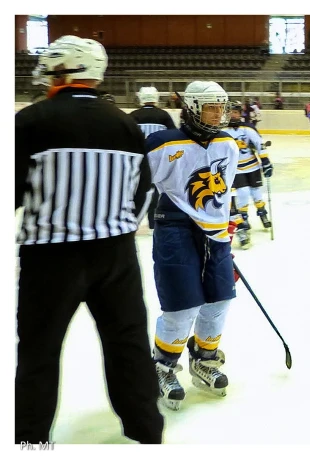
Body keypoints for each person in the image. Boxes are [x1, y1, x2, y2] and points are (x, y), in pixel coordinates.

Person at [15, 35, 163, 444]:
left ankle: (30, 440)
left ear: (63, 70)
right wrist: (114, 228)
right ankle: (146, 433)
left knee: (39, 352)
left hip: (49, 257)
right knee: (128, 347)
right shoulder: (125, 124)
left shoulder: (29, 121)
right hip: (116, 254)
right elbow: (143, 194)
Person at [145, 81, 240, 410]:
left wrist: (229, 226)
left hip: (215, 236)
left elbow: (225, 192)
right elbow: (138, 185)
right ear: (193, 107)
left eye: (222, 107)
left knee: (220, 300)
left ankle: (204, 359)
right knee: (181, 306)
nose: (219, 114)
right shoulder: (161, 144)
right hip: (175, 230)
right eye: (212, 107)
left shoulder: (228, 144)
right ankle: (163, 366)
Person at [223, 100, 273, 249]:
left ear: (240, 114)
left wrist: (266, 161)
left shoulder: (248, 128)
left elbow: (259, 144)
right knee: (242, 193)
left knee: (256, 192)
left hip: (252, 167)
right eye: (230, 112)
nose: (233, 115)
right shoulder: (222, 131)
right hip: (235, 170)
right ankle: (243, 221)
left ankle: (262, 213)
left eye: (236, 112)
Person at [130, 86, 177, 232]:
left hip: (138, 160)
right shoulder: (163, 115)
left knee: (137, 190)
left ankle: (133, 220)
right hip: (160, 160)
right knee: (157, 191)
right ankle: (153, 221)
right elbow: (174, 136)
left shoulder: (133, 115)